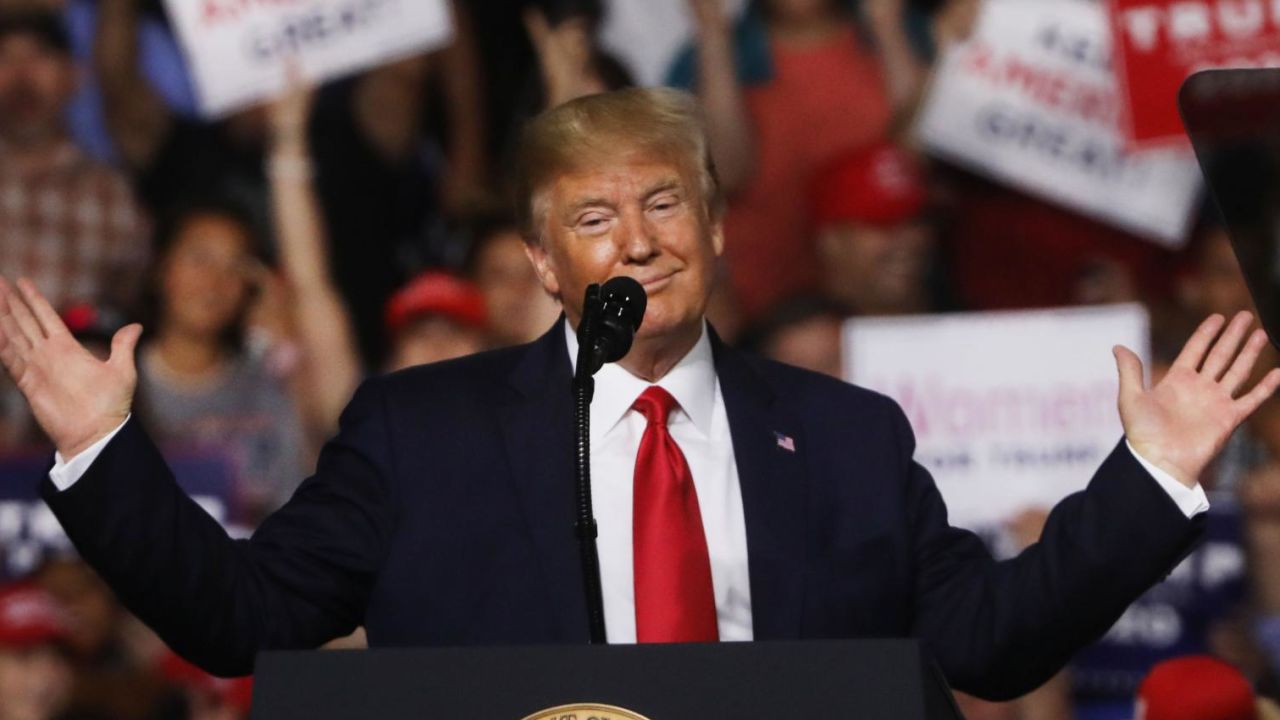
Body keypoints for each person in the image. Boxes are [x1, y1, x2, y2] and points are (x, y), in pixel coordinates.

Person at [1, 89, 1278, 701]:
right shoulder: (422, 434)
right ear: (542, 264)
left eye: (665, 202)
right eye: (595, 218)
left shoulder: (842, 435)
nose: (639, 241)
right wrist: (103, 454)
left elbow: (987, 645)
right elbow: (243, 617)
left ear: (716, 228)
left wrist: (1151, 476)